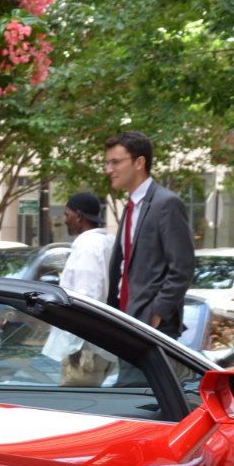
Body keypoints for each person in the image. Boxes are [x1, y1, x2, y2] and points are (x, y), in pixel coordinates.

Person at [103, 130, 194, 336]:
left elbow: (182, 268)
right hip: (124, 317)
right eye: (107, 163)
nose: (109, 169)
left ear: (139, 162)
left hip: (151, 325)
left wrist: (158, 312)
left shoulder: (166, 203)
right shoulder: (131, 205)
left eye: (115, 162)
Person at [47, 190, 115, 384]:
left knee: (74, 406)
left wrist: (76, 347)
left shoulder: (87, 244)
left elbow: (87, 295)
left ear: (78, 216)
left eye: (67, 215)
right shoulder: (107, 241)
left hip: (84, 347)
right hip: (102, 343)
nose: (65, 220)